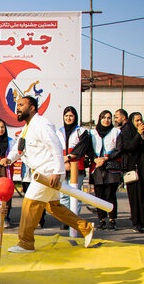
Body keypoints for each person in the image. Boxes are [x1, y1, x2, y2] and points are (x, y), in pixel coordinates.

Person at [7, 96, 94, 253]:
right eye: (17, 105)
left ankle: (25, 243)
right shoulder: (27, 127)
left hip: (48, 172)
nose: (17, 108)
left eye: (21, 105)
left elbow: (55, 146)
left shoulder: (41, 124)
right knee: (54, 207)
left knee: (29, 203)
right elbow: (19, 149)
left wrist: (58, 171)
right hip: (44, 171)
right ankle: (86, 228)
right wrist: (8, 159)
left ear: (32, 108)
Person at [71, 110, 122, 230]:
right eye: (104, 118)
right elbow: (88, 148)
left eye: (109, 118)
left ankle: (112, 219)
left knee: (110, 195)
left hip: (111, 167)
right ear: (99, 119)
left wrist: (106, 158)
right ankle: (101, 219)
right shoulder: (92, 133)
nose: (106, 120)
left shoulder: (116, 132)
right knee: (99, 195)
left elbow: (119, 149)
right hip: (97, 167)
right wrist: (95, 159)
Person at [57, 106, 88, 236]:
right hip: (62, 166)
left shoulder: (82, 131)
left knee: (75, 195)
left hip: (77, 167)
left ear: (75, 117)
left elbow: (82, 147)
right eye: (66, 116)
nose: (68, 118)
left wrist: (69, 158)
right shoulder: (58, 131)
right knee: (63, 195)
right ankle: (65, 220)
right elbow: (56, 148)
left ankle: (74, 220)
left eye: (71, 116)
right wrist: (64, 161)